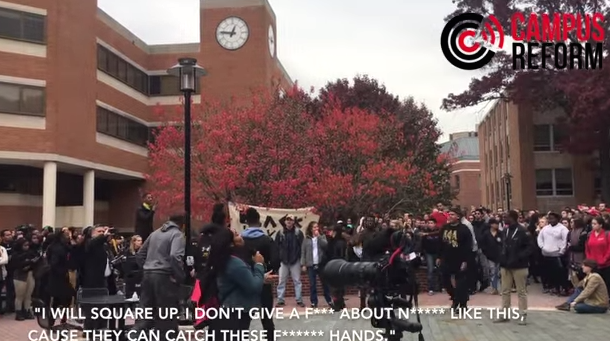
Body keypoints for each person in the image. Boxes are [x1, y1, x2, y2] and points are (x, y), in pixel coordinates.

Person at [206, 227, 270, 338]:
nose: (241, 236)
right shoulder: (233, 263)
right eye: (236, 235)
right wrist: (259, 265)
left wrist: (259, 276)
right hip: (235, 314)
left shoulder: (226, 259)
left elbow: (243, 279)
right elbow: (253, 286)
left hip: (229, 313)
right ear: (231, 243)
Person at [134, 214, 186, 337]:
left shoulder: (155, 233)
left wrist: (147, 267)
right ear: (182, 225)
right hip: (164, 276)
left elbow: (140, 254)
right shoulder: (177, 234)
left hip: (148, 274)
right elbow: (175, 256)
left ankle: (135, 335)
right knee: (166, 313)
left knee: (146, 311)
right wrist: (179, 276)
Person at [241, 208, 279, 341]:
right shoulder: (267, 240)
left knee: (244, 320)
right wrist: (271, 270)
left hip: (245, 281)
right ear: (259, 222)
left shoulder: (241, 240)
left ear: (247, 222)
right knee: (267, 319)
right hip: (264, 280)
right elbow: (275, 260)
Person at [495, 210, 531, 325]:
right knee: (505, 290)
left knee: (521, 291)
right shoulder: (505, 230)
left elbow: (530, 248)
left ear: (513, 218)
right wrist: (501, 258)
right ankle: (504, 314)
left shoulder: (522, 231)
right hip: (505, 265)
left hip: (519, 266)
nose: (504, 219)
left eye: (506, 217)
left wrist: (519, 257)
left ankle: (522, 315)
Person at [437, 208, 472, 310]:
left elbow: (468, 246)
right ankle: (455, 297)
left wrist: (465, 261)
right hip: (446, 258)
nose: (450, 216)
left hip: (460, 259)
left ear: (458, 217)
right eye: (449, 214)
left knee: (461, 283)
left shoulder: (464, 229)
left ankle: (463, 304)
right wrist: (439, 256)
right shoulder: (445, 228)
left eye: (452, 214)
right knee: (445, 280)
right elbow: (440, 243)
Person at [275, 215, 304, 307]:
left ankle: (299, 300)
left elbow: (302, 247)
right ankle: (280, 300)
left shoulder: (298, 233)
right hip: (283, 261)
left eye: (291, 220)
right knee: (281, 281)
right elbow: (276, 247)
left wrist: (302, 261)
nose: (289, 221)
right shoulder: (280, 233)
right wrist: (278, 258)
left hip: (295, 260)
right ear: (285, 221)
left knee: (297, 281)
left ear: (293, 222)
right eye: (287, 220)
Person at [301, 221, 332, 308]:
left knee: (324, 283)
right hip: (311, 264)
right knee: (312, 284)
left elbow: (326, 246)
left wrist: (318, 237)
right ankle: (314, 301)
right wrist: (303, 264)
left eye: (317, 227)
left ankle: (329, 300)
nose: (316, 229)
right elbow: (303, 252)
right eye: (314, 227)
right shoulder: (306, 239)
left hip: (321, 264)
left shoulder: (322, 237)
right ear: (311, 229)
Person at [537, 212, 569, 295]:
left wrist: (561, 251)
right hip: (546, 253)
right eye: (549, 218)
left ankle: (563, 288)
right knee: (550, 273)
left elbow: (565, 240)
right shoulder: (545, 228)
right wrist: (542, 247)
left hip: (557, 255)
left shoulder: (562, 229)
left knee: (559, 273)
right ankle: (554, 288)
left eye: (553, 218)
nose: (551, 220)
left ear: (557, 219)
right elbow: (540, 238)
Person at [11, 238, 40, 320]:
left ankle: (27, 311)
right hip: (20, 275)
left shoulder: (31, 253)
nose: (27, 247)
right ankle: (18, 312)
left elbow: (37, 260)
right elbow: (16, 265)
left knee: (28, 295)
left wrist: (32, 262)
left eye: (28, 245)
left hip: (30, 274)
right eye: (25, 245)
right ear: (20, 246)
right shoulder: (15, 254)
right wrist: (29, 262)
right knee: (20, 296)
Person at [479, 218, 502, 294]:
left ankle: (500, 288)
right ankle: (494, 288)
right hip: (489, 256)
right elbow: (483, 244)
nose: (497, 225)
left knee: (499, 272)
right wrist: (486, 252)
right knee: (492, 271)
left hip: (499, 256)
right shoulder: (486, 234)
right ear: (491, 224)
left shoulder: (500, 233)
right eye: (495, 224)